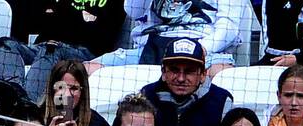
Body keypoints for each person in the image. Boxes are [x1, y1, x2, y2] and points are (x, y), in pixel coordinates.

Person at [140, 38, 234, 126]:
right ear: (164, 72)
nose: (181, 78)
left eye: (189, 71)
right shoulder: (146, 96)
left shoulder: (222, 102)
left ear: (203, 74)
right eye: (174, 70)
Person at [99, 0, 248, 69]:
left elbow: (229, 28)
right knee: (87, 70)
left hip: (205, 50)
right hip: (150, 49)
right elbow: (133, 11)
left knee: (222, 76)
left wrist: (199, 50)